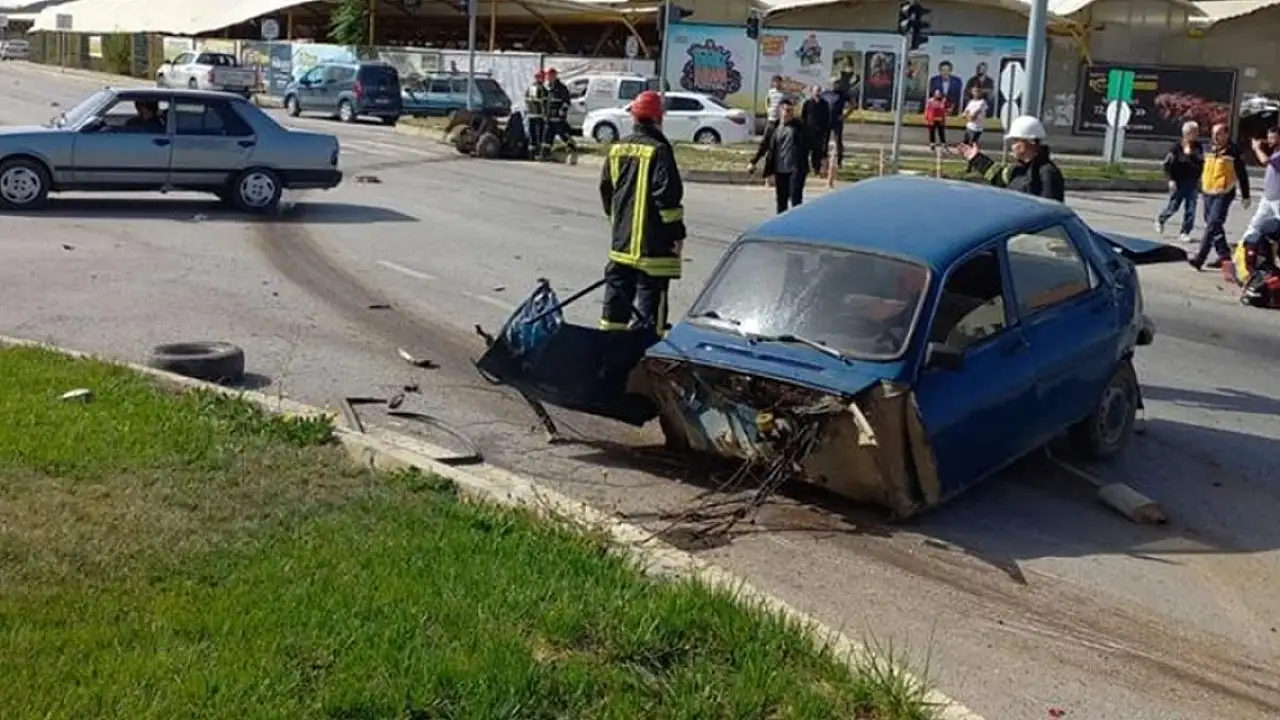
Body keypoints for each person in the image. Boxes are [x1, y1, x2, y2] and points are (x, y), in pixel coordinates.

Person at [597, 90, 686, 335]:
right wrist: (676, 235)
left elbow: (606, 191)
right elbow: (667, 199)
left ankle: (607, 351)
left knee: (614, 312)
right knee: (649, 315)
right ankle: (641, 352)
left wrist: (619, 225)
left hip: (622, 246)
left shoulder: (616, 149)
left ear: (634, 117)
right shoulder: (659, 150)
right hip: (653, 248)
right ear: (659, 118)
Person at [957, 115, 1064, 201]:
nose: (1012, 146)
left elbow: (1051, 210)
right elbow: (997, 177)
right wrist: (976, 159)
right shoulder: (1017, 168)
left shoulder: (1047, 173)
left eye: (1015, 140)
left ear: (1030, 141)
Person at [1190, 122, 1250, 271]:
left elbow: (1242, 174)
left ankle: (1200, 258)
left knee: (1213, 223)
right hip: (1208, 192)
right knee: (1214, 226)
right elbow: (1201, 168)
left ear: (1226, 135)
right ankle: (1224, 256)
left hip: (1224, 193)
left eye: (1218, 134)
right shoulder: (1207, 148)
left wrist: (1246, 195)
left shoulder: (1233, 151)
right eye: (1213, 134)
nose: (1215, 137)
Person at [748, 98, 812, 214]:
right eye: (785, 110)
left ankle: (797, 221)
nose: (788, 113)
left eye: (790, 110)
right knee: (781, 200)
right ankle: (782, 221)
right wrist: (754, 161)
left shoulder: (800, 126)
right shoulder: (773, 127)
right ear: (779, 111)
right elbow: (764, 145)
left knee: (795, 198)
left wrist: (819, 159)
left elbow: (811, 143)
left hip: (796, 168)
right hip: (780, 169)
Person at [1154, 121, 1204, 243]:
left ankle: (1184, 232)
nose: (1197, 134)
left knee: (1191, 209)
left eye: (1197, 131)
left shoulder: (1198, 146)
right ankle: (1161, 219)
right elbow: (1166, 165)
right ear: (1186, 133)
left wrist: (1201, 176)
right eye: (1194, 132)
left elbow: (1201, 162)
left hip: (1192, 182)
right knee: (1173, 207)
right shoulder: (1176, 147)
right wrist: (1171, 180)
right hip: (1179, 182)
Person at [1239, 126, 1280, 250]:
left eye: (1273, 138)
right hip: (1268, 198)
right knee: (1256, 223)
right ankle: (1244, 247)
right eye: (1268, 137)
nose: (1269, 140)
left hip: (1278, 199)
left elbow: (1264, 160)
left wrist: (1256, 148)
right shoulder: (1275, 153)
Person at [541, 68, 577, 160]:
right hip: (549, 118)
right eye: (547, 76)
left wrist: (562, 111)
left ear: (554, 76)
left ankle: (572, 148)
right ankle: (545, 154)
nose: (548, 77)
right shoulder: (549, 88)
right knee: (547, 136)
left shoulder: (561, 88)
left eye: (549, 75)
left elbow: (566, 102)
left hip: (558, 118)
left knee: (563, 134)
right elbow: (547, 103)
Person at [801, 86, 830, 176]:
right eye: (816, 91)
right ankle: (805, 168)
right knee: (805, 151)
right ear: (812, 92)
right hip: (808, 131)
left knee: (817, 151)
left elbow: (827, 117)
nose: (817, 93)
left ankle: (816, 168)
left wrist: (825, 130)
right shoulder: (807, 103)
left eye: (819, 91)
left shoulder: (824, 104)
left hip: (820, 132)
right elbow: (803, 116)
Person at [820, 81, 847, 168]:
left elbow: (854, 104)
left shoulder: (842, 94)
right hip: (826, 120)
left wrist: (845, 115)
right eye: (834, 84)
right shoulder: (825, 93)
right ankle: (824, 160)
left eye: (837, 84)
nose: (835, 86)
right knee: (824, 141)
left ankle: (839, 161)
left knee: (838, 141)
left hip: (837, 122)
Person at [524, 70, 548, 159]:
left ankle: (531, 153)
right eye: (542, 77)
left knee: (532, 135)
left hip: (531, 115)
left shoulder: (530, 88)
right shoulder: (542, 89)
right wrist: (545, 114)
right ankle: (538, 153)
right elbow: (544, 103)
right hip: (539, 115)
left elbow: (526, 100)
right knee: (539, 135)